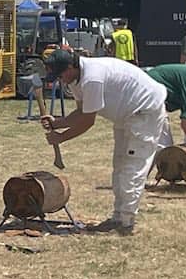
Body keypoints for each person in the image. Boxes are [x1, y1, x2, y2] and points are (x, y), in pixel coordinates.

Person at [42, 50, 167, 236]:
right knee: (119, 164)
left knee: (133, 165)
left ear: (70, 67)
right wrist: (57, 123)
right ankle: (118, 217)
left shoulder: (92, 78)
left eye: (60, 75)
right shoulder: (75, 79)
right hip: (126, 114)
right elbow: (81, 112)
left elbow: (87, 121)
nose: (60, 80)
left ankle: (126, 221)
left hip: (145, 111)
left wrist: (61, 137)